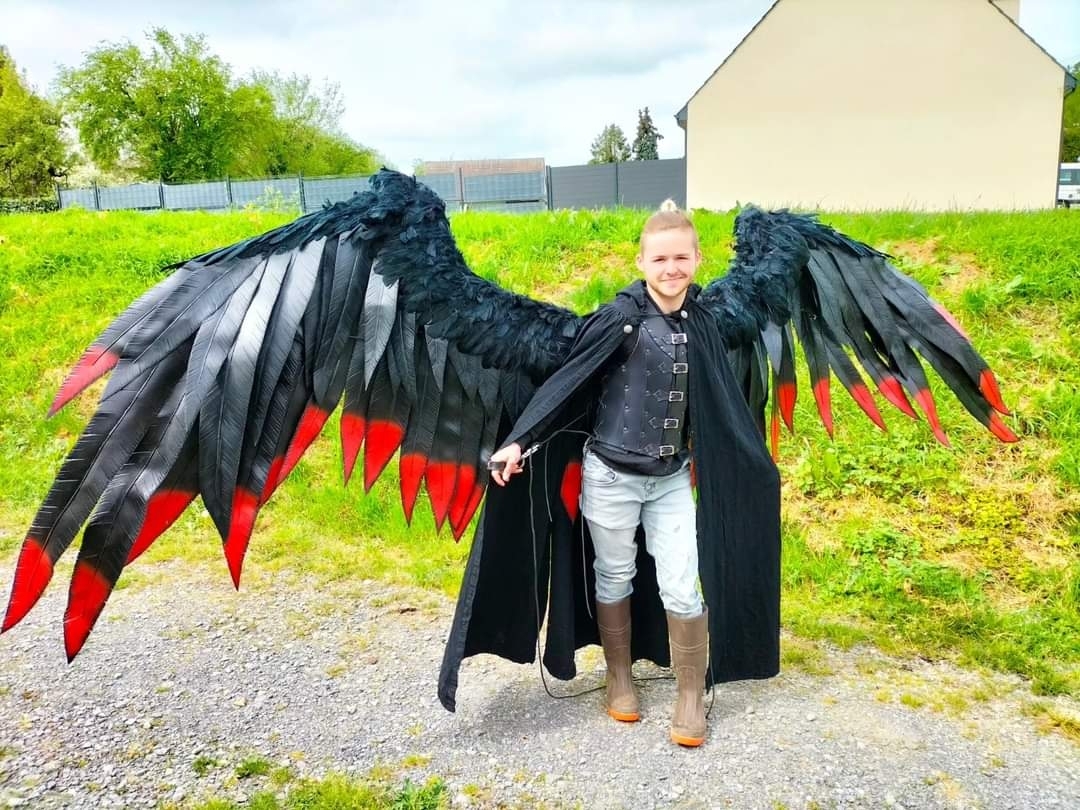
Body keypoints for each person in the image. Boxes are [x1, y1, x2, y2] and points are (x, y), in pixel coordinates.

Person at [484, 201, 773, 747]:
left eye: (681, 258)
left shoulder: (703, 322)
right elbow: (568, 381)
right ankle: (618, 677)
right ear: (641, 262)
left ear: (697, 259)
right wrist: (519, 440)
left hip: (671, 479)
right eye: (660, 259)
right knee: (614, 576)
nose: (671, 268)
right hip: (611, 477)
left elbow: (718, 397)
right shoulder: (618, 319)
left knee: (682, 584)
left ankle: (690, 696)